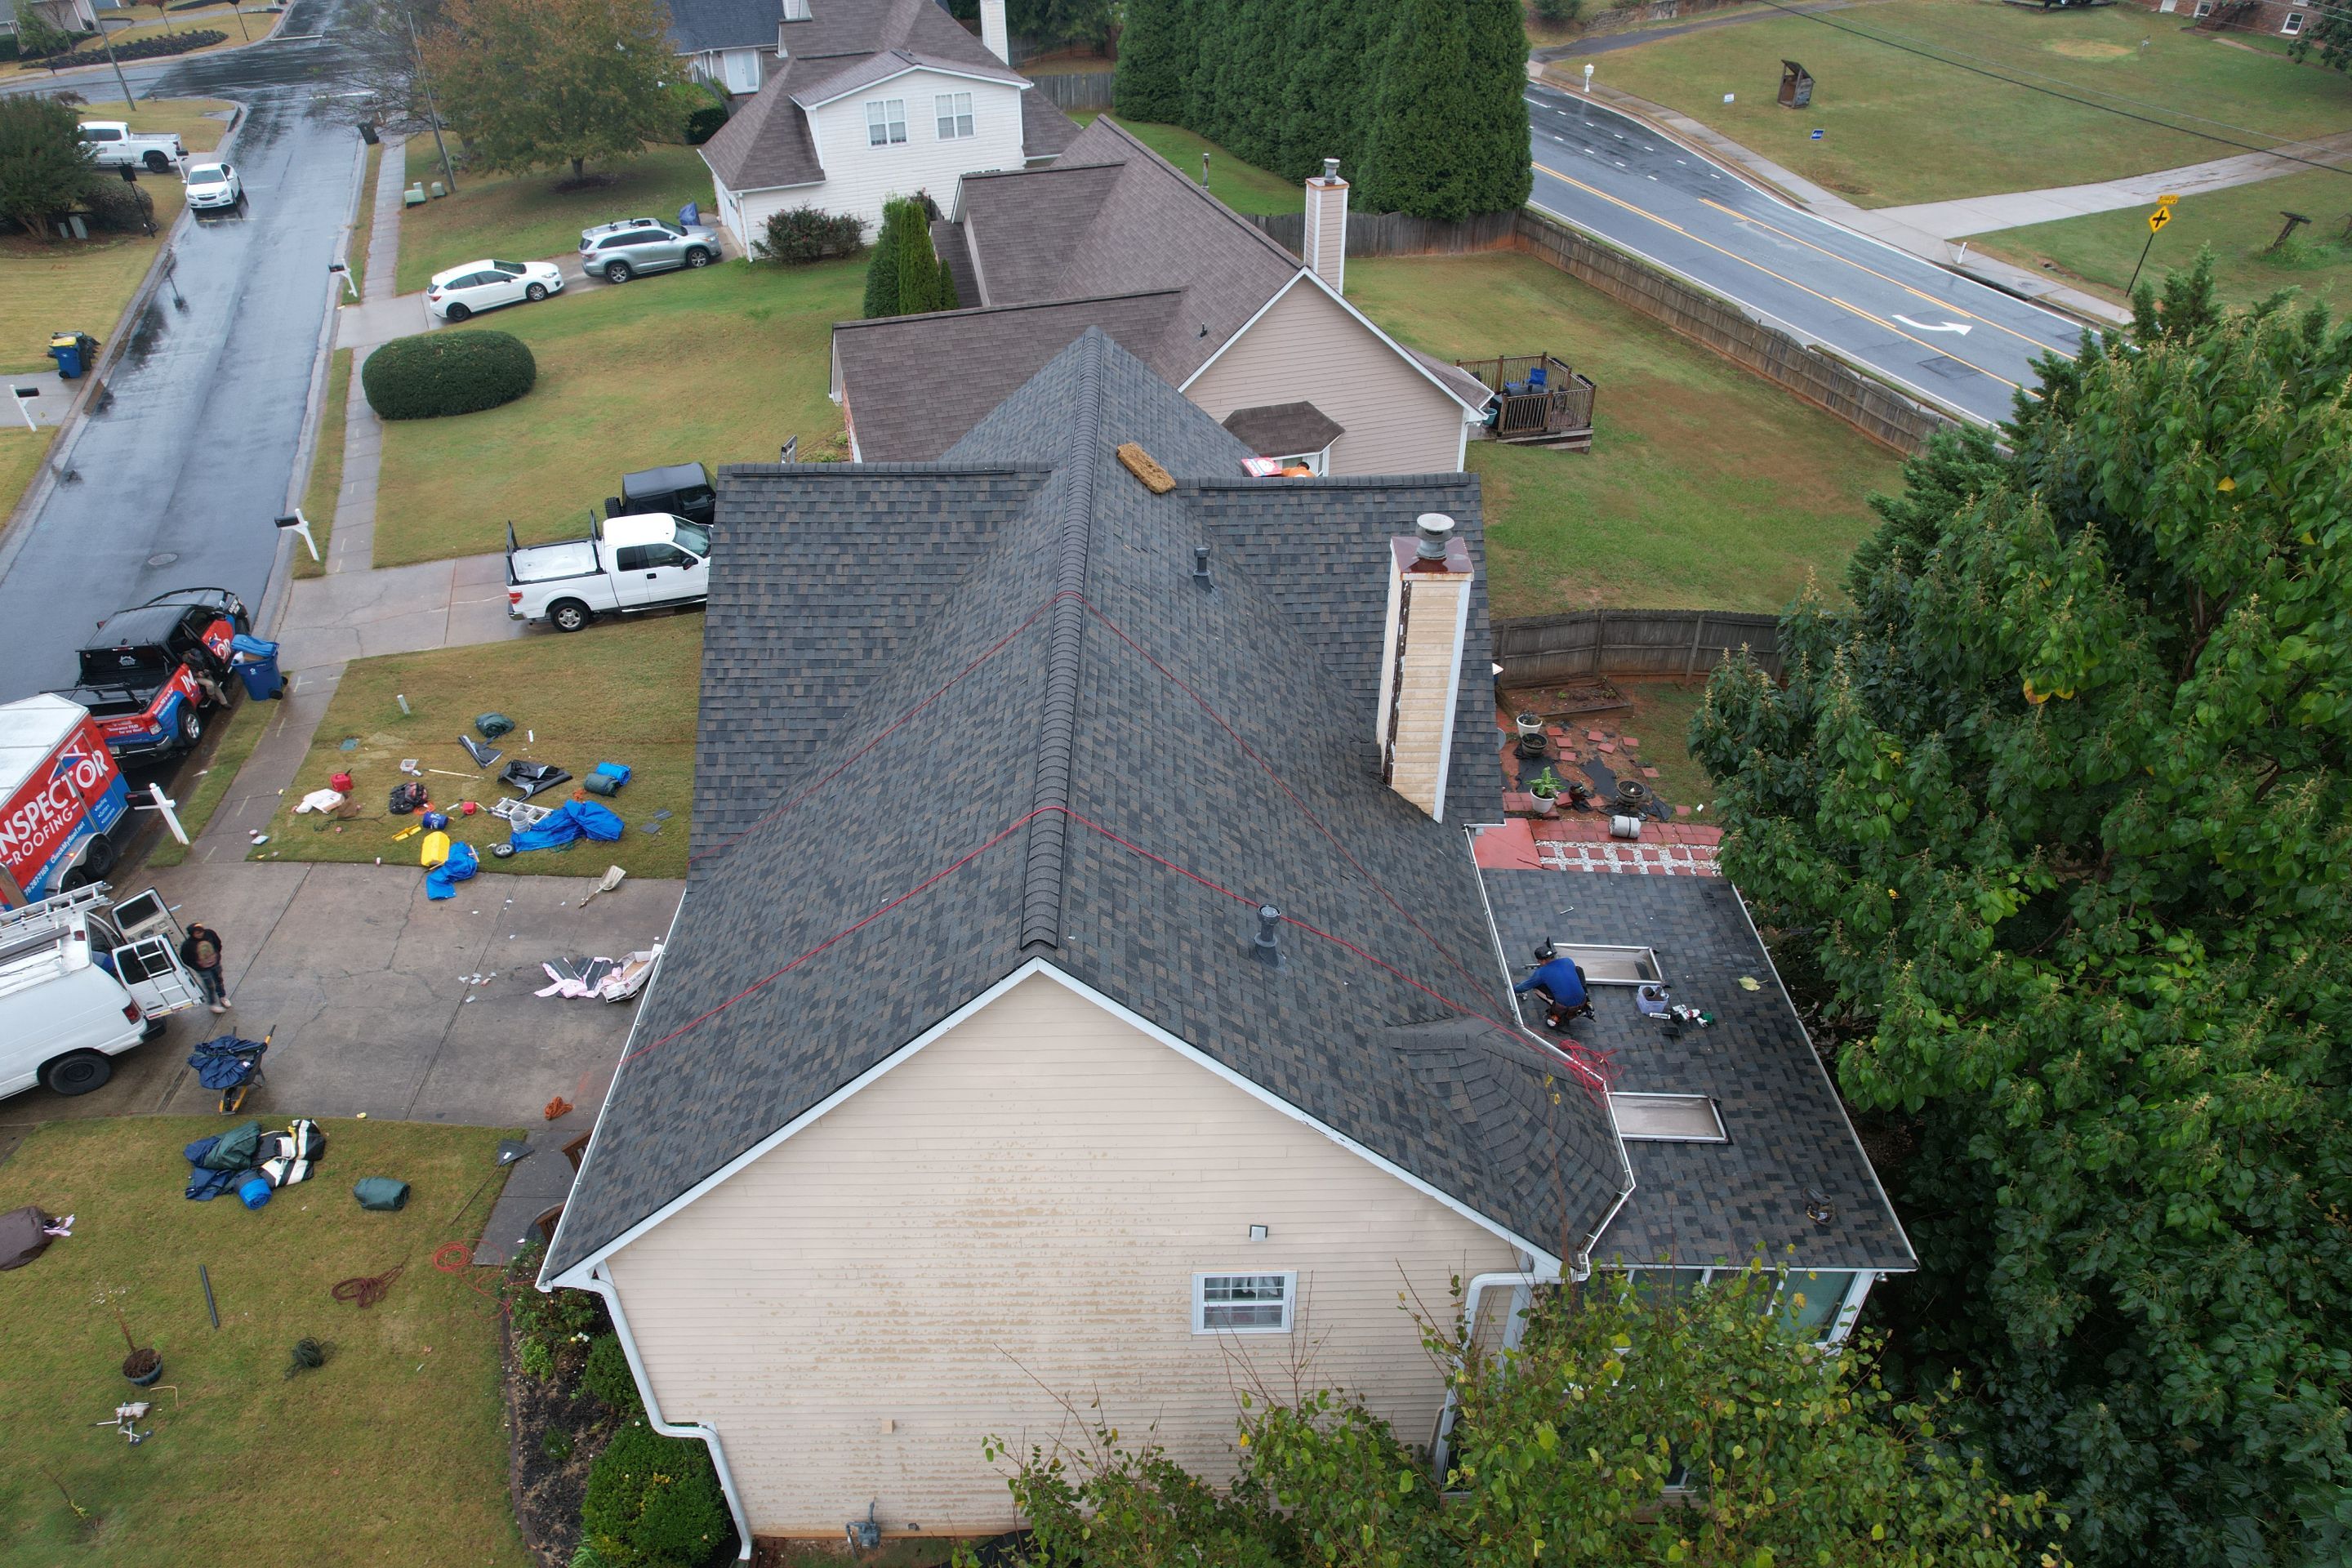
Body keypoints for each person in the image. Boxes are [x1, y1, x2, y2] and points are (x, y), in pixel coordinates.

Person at [1516, 947, 1590, 1017]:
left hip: (1565, 1007)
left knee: (1536, 987)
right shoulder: (1568, 961)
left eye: (1539, 961)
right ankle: (1586, 995)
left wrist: (1512, 989)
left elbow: (1524, 987)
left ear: (1543, 961)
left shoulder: (1541, 972)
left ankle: (1554, 1006)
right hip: (1583, 1000)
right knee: (1578, 969)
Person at [180, 922, 229, 1014]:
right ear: (192, 934)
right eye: (197, 933)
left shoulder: (210, 934)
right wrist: (197, 966)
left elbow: (218, 944)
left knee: (219, 981)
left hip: (215, 964)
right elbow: (185, 959)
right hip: (203, 969)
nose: (200, 934)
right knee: (210, 986)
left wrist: (217, 956)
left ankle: (222, 997)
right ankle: (212, 1004)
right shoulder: (187, 945)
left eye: (201, 932)